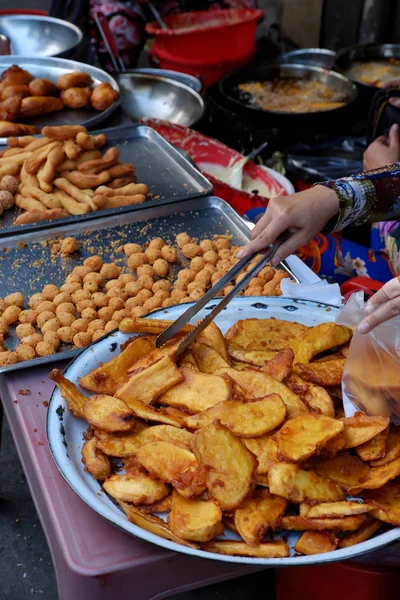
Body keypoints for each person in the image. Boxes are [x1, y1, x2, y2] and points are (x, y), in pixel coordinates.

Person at [237, 129, 400, 335]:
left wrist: (383, 172)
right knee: (265, 220)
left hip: (392, 267)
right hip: (390, 229)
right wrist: (333, 196)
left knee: (294, 250)